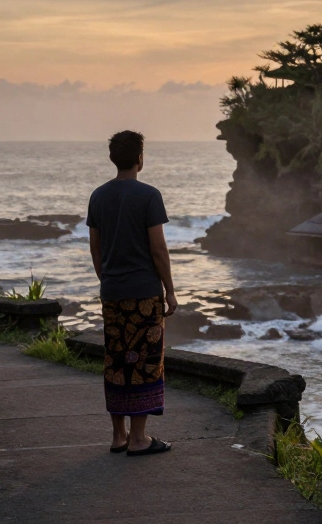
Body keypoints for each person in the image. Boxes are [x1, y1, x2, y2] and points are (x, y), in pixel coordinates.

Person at [87, 131, 178, 456]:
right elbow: (158, 248)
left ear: (113, 158)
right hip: (143, 294)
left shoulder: (98, 196)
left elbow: (95, 247)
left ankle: (118, 436)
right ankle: (139, 439)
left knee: (116, 359)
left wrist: (107, 279)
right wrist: (170, 290)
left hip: (112, 292)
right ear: (140, 158)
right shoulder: (149, 195)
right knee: (144, 361)